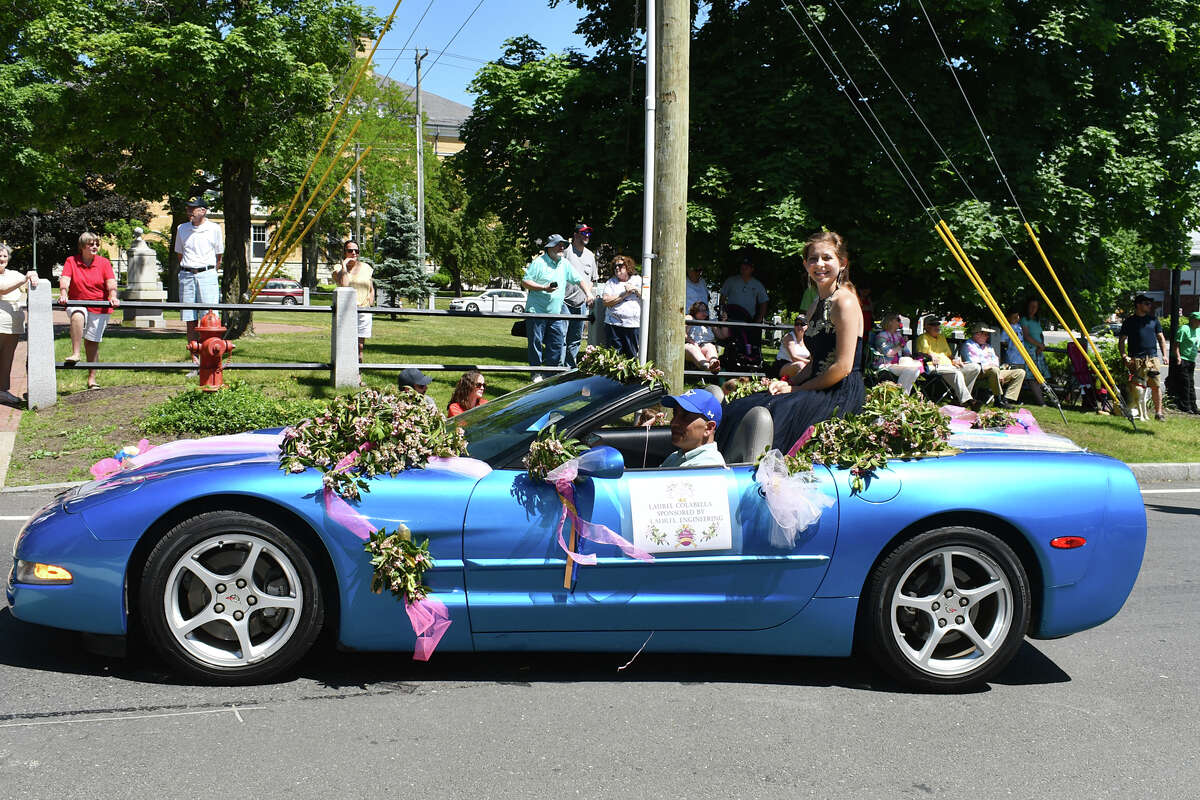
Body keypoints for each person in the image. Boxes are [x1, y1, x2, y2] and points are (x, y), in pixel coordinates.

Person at [717, 231, 865, 454]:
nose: (820, 264)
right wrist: (787, 382)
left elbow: (842, 367)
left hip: (840, 392)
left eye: (827, 258)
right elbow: (815, 363)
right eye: (813, 259)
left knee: (776, 411)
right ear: (806, 265)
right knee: (746, 405)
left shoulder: (845, 301)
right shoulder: (816, 304)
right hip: (816, 385)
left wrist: (797, 388)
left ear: (842, 263)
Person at [521, 234, 593, 378]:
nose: (562, 247)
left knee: (557, 342)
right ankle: (536, 373)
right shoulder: (539, 263)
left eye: (563, 245)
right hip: (537, 312)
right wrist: (543, 287)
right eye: (558, 244)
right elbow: (525, 282)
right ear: (549, 247)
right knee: (536, 343)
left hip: (556, 313)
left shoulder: (564, 263)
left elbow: (579, 279)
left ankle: (550, 373)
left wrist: (588, 293)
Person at [59, 232, 119, 390]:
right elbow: (65, 279)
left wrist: (113, 296)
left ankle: (92, 378)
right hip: (78, 301)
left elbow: (111, 282)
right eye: (90, 244)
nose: (94, 247)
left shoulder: (104, 262)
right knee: (77, 314)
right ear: (82, 246)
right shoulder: (71, 261)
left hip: (99, 305)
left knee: (92, 343)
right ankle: (76, 353)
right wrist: (63, 293)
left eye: (97, 244)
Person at [174, 197, 223, 361]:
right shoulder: (181, 228)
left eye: (192, 209)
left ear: (203, 210)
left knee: (209, 317)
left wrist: (206, 270)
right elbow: (180, 254)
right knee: (190, 319)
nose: (189, 212)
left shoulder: (214, 228)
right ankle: (194, 360)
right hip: (187, 274)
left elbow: (218, 256)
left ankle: (209, 357)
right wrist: (191, 268)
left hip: (207, 275)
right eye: (188, 208)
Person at [1118, 294, 1168, 420]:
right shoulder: (1129, 321)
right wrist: (1124, 356)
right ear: (1138, 305)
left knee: (1155, 385)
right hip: (1136, 359)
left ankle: (1159, 413)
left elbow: (1161, 338)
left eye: (1150, 304)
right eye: (1146, 303)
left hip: (1152, 359)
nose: (1149, 306)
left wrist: (1165, 355)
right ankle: (1135, 411)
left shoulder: (1154, 320)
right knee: (1137, 389)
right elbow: (1122, 340)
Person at [0, 243, 39, 404]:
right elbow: (2, 289)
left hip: (13, 326)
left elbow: (27, 284)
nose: (2, 259)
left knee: (7, 359)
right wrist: (25, 277)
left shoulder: (13, 274)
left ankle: (2, 390)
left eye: (4, 256)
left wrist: (33, 278)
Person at [915, 317, 980, 406]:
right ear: (926, 327)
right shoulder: (923, 338)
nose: (937, 327)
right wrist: (931, 355)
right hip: (934, 366)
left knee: (975, 367)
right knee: (956, 373)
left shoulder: (941, 337)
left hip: (950, 366)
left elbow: (949, 355)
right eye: (933, 324)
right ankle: (967, 400)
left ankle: (959, 398)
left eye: (938, 324)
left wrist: (955, 360)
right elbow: (920, 353)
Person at [560, 224, 598, 368]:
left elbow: (593, 279)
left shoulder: (590, 255)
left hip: (581, 304)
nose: (587, 236)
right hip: (564, 302)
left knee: (575, 338)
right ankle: (558, 369)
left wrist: (588, 295)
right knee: (561, 336)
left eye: (588, 233)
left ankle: (570, 367)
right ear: (575, 235)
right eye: (583, 233)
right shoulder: (566, 252)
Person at [960, 324, 1025, 407]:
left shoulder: (988, 346)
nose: (987, 337)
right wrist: (994, 369)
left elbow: (995, 361)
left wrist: (997, 370)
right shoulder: (968, 346)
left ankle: (1006, 399)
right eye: (985, 334)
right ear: (977, 334)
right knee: (994, 370)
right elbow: (975, 365)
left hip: (994, 372)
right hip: (978, 374)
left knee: (1020, 372)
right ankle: (998, 400)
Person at [719, 256, 769, 361]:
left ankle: (750, 359)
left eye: (747, 266)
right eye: (743, 266)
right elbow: (722, 297)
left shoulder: (757, 284)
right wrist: (722, 312)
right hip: (731, 319)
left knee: (750, 341)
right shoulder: (731, 281)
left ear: (752, 269)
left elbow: (763, 301)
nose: (744, 268)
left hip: (748, 321)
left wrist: (759, 318)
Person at [332, 240, 374, 363]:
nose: (354, 253)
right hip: (346, 310)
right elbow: (344, 285)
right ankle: (344, 373)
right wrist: (344, 266)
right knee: (346, 343)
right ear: (344, 252)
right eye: (350, 250)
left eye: (356, 251)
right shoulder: (338, 268)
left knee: (360, 346)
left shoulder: (366, 267)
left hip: (363, 310)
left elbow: (371, 287)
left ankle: (358, 375)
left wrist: (370, 303)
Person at [660, 389, 726, 468]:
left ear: (709, 428)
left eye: (685, 417)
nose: (674, 423)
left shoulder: (707, 466)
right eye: (675, 414)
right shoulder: (676, 456)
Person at [993, 310, 1043, 406]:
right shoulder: (1008, 328)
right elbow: (1003, 341)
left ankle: (1015, 397)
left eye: (1018, 317)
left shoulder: (1019, 327)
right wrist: (1010, 344)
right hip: (1012, 357)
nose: (1017, 319)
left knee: (1021, 376)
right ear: (1008, 318)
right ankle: (1007, 397)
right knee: (1013, 377)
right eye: (1014, 317)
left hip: (1021, 357)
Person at [601, 255, 642, 358]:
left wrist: (635, 289)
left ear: (628, 267)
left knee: (632, 356)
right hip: (613, 324)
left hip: (633, 325)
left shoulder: (638, 280)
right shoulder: (611, 282)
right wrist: (625, 294)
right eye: (615, 266)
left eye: (620, 265)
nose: (617, 268)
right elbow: (606, 301)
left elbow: (647, 296)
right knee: (613, 357)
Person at [871, 312, 921, 394]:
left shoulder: (898, 335)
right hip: (886, 364)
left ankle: (903, 396)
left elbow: (906, 352)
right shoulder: (881, 336)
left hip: (899, 364)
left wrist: (909, 356)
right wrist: (901, 345)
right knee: (909, 371)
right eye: (898, 320)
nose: (900, 322)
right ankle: (901, 396)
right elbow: (888, 353)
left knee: (915, 370)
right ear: (890, 321)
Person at [1019, 297, 1050, 404]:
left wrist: (1041, 346)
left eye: (1035, 307)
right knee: (1032, 376)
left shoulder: (1036, 320)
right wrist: (1039, 345)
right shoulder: (1024, 320)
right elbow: (1026, 336)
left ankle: (1043, 399)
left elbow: (1040, 334)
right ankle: (1041, 401)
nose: (1033, 309)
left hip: (1038, 351)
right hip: (1029, 351)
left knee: (1040, 376)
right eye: (1031, 306)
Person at [1170, 311, 1200, 414]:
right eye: (1198, 321)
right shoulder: (1184, 329)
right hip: (1182, 359)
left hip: (1191, 360)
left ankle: (1194, 407)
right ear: (1192, 320)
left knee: (1191, 384)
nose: (1199, 323)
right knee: (1185, 384)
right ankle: (1185, 407)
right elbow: (1176, 345)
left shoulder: (1198, 330)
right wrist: (1178, 357)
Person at [684, 301, 722, 374]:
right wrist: (693, 343)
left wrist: (724, 320)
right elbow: (682, 333)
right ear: (695, 311)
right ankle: (708, 367)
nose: (704, 312)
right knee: (692, 348)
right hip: (690, 344)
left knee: (710, 346)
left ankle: (714, 364)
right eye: (701, 310)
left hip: (705, 345)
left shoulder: (709, 323)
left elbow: (721, 336)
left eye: (705, 310)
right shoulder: (690, 318)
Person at [772, 314, 812, 381]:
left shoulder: (808, 339)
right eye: (797, 324)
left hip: (802, 364)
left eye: (802, 324)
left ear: (808, 326)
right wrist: (810, 363)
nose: (799, 326)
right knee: (800, 365)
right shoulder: (789, 337)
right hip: (783, 365)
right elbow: (794, 357)